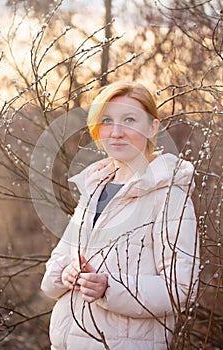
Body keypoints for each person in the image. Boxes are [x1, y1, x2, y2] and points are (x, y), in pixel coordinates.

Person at [41, 81, 199, 350]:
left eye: (129, 120)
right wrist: (65, 274)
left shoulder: (170, 195)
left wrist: (109, 288)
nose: (116, 132)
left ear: (152, 127)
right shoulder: (94, 188)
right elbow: (55, 268)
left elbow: (180, 289)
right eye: (107, 120)